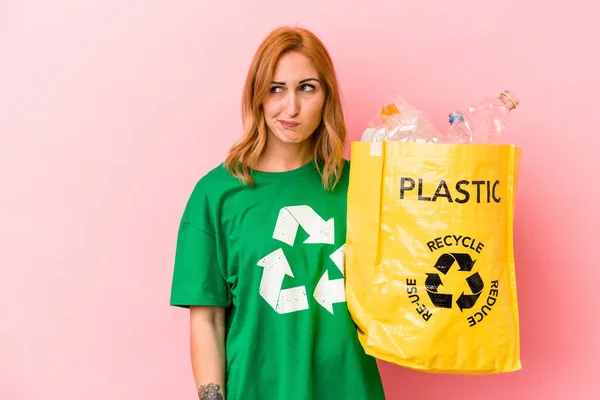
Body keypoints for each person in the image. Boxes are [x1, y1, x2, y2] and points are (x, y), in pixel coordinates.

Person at [169, 25, 386, 400]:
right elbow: (207, 319)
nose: (291, 108)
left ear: (326, 95)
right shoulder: (216, 194)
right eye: (276, 89)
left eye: (307, 87)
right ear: (257, 96)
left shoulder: (362, 185)